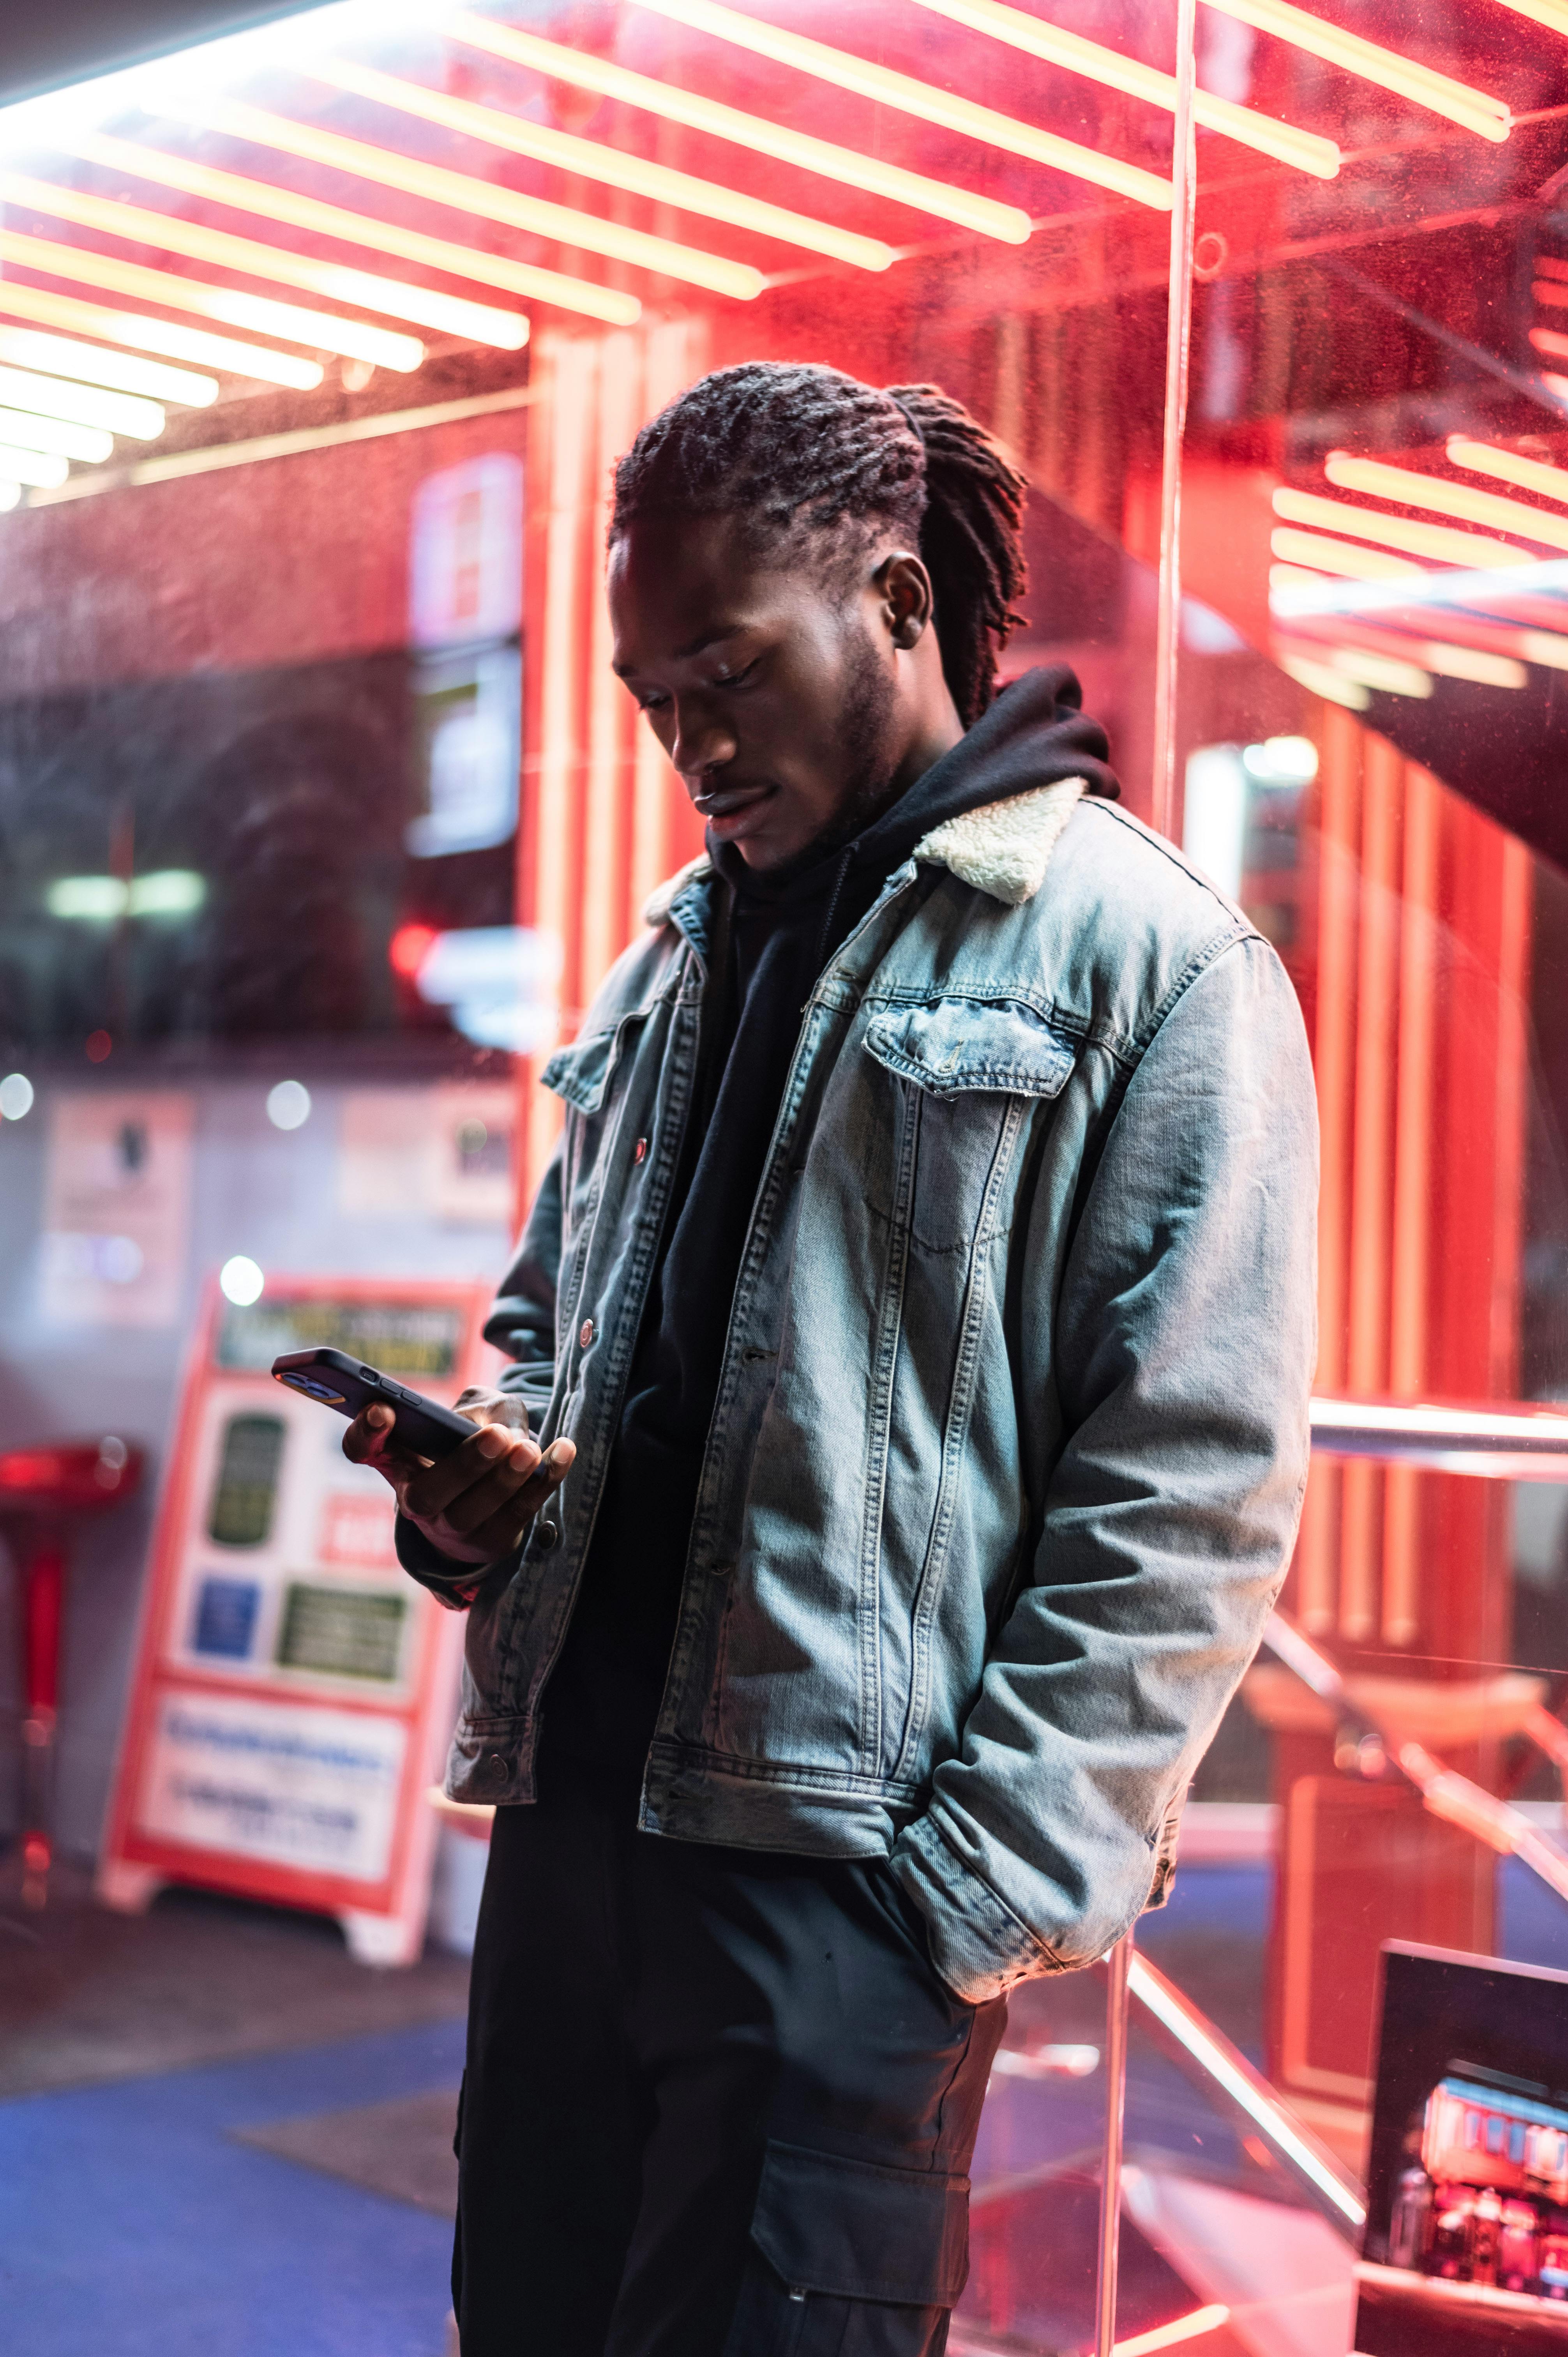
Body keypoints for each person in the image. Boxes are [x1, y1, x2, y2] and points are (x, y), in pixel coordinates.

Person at [347, 361, 1318, 2357]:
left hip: (840, 1904)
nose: (688, 740)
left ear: (891, 603)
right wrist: (487, 1477)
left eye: (727, 669)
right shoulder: (664, 961)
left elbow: (1188, 1497)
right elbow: (548, 1328)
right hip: (567, 1857)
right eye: (651, 698)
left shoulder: (1153, 965)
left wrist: (951, 1915)